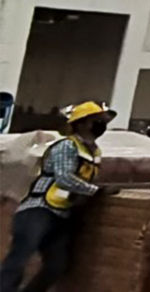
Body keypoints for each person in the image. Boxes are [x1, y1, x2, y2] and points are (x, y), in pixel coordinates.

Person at [0, 102, 111, 292]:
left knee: (56, 265)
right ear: (81, 124)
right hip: (39, 210)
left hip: (62, 213)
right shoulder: (67, 146)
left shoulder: (94, 151)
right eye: (96, 120)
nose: (101, 124)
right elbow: (64, 178)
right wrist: (95, 190)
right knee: (19, 259)